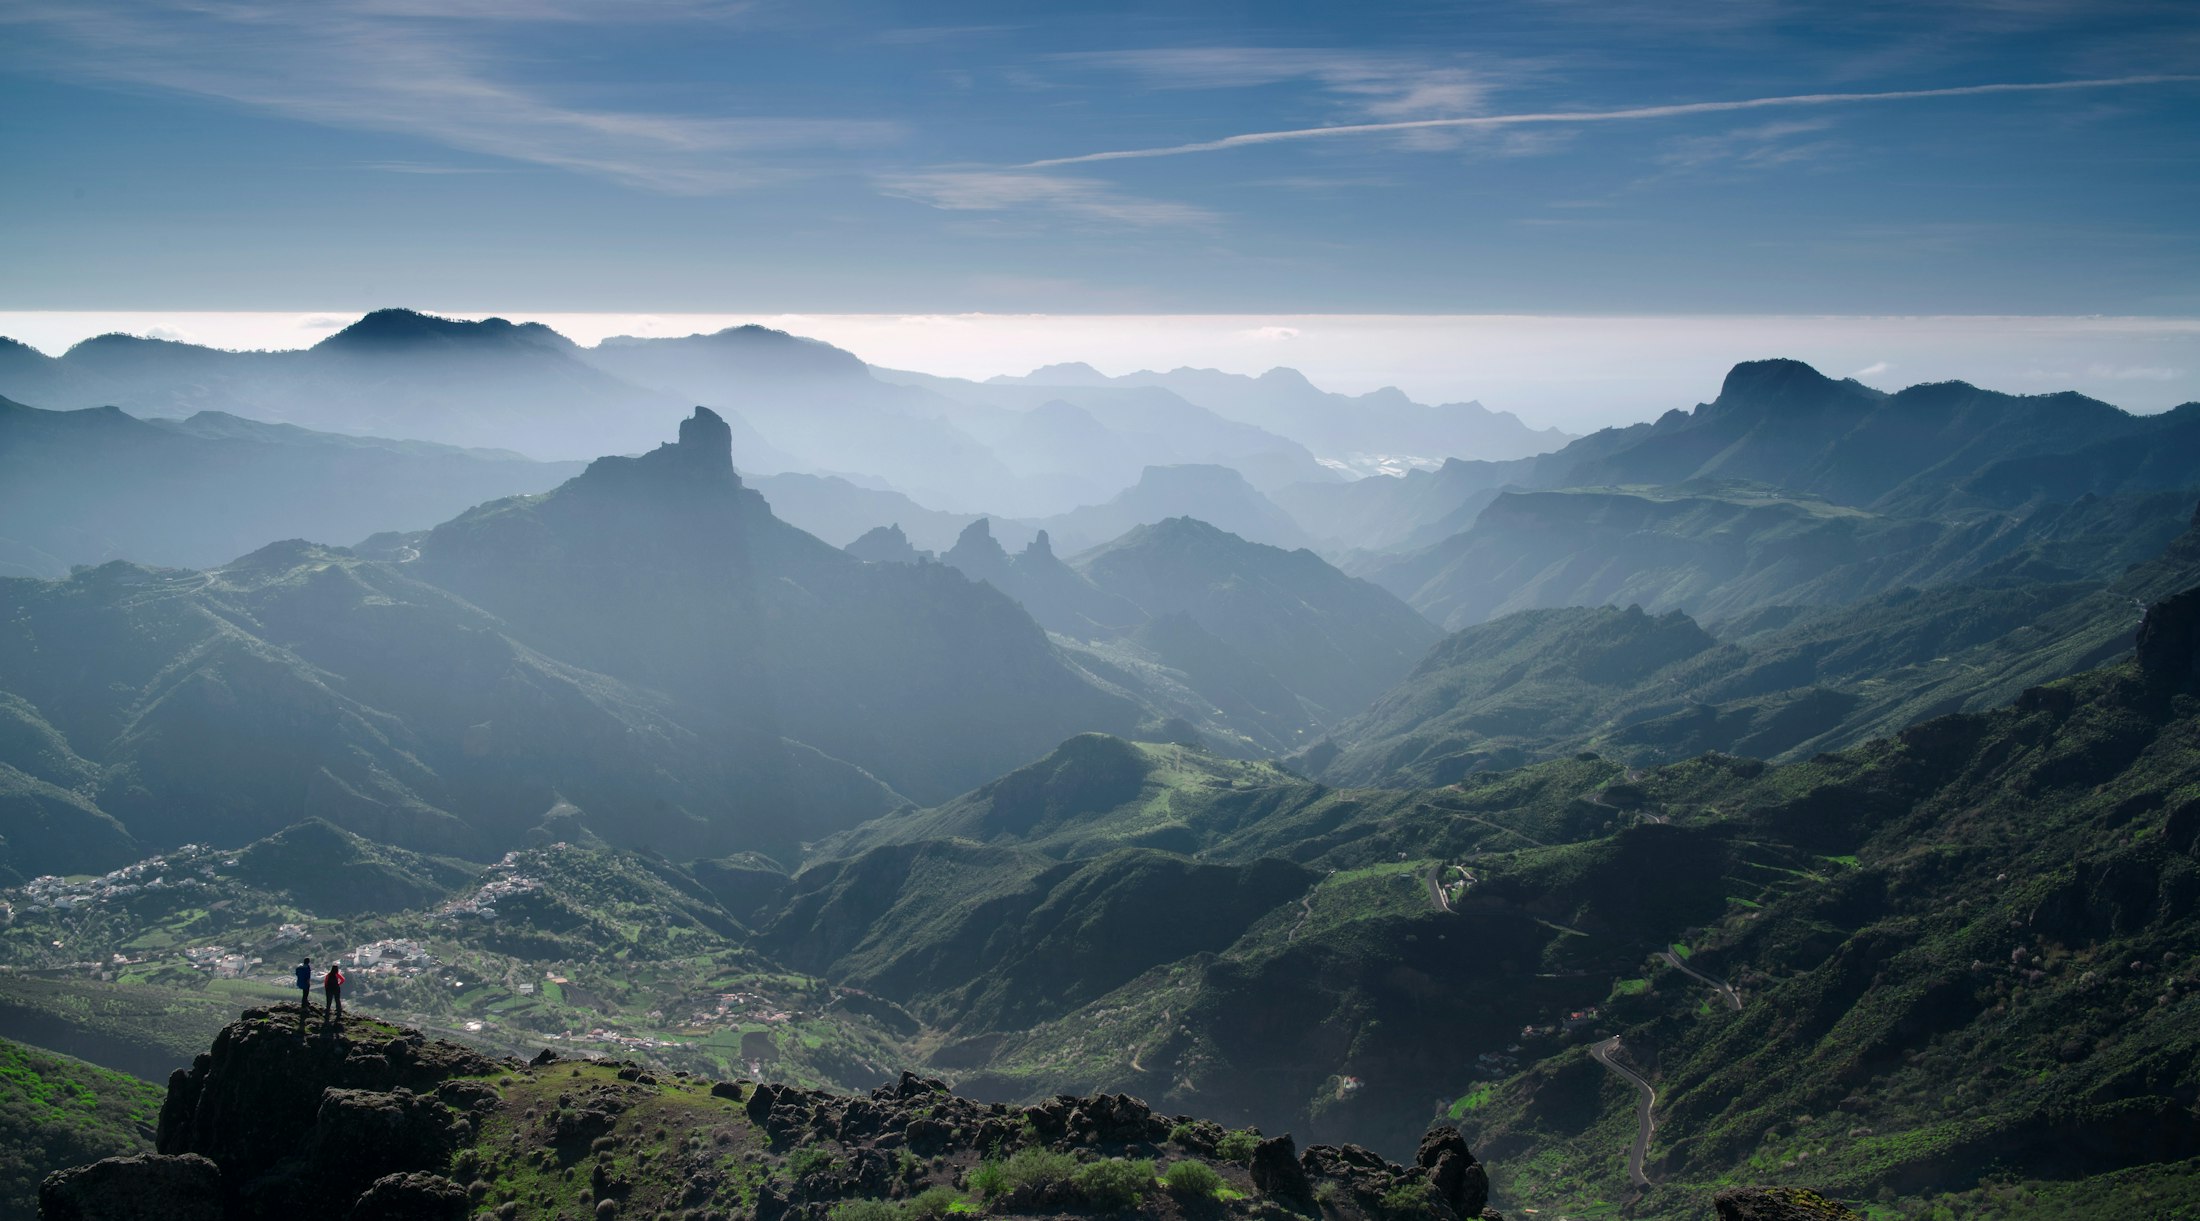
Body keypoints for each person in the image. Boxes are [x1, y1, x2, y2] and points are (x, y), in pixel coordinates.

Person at [294, 958, 313, 1023]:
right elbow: (308, 976)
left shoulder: (299, 967)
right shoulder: (307, 968)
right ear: (308, 962)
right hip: (305, 983)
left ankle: (305, 1002)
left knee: (304, 993)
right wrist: (308, 983)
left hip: (300, 982)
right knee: (305, 994)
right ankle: (304, 1005)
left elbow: (296, 973)